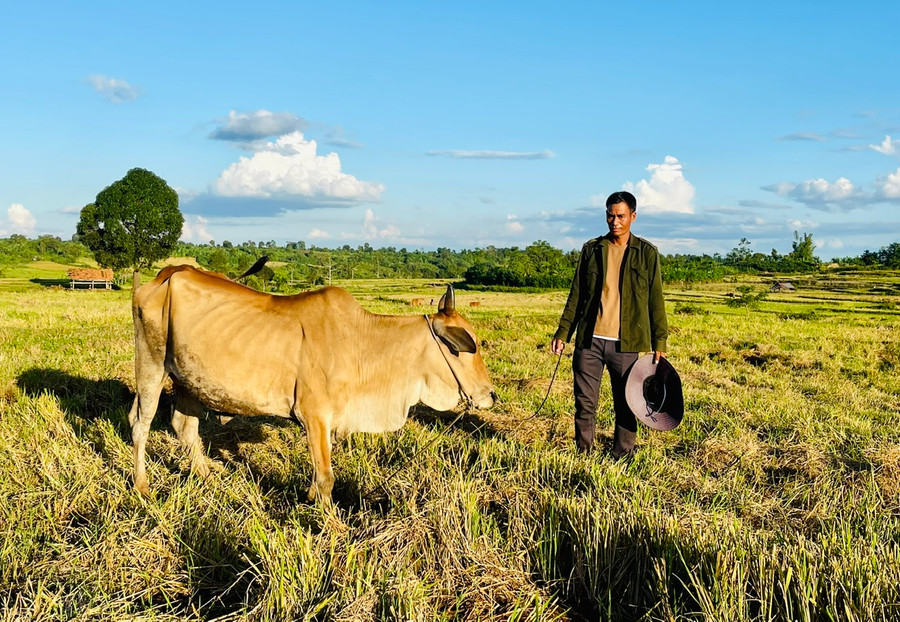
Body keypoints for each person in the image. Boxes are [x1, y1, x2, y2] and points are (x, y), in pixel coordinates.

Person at [551, 191, 668, 457]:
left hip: (626, 344)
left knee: (627, 404)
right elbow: (577, 295)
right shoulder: (592, 249)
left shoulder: (647, 253)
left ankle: (622, 455)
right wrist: (563, 332)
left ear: (633, 217)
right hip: (589, 341)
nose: (614, 221)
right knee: (584, 403)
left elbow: (655, 300)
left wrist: (659, 342)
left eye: (621, 216)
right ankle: (584, 452)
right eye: (610, 215)